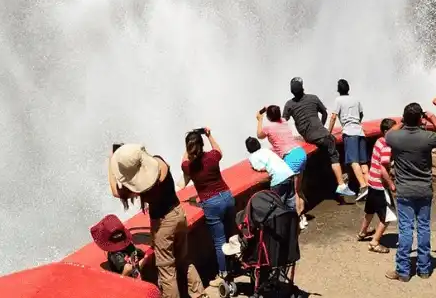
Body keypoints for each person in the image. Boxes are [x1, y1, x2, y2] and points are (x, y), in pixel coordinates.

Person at [108, 144, 203, 298]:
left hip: (164, 224)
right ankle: (199, 294)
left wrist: (111, 164)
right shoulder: (160, 162)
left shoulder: (140, 189)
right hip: (179, 213)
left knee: (167, 271)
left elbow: (115, 191)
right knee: (184, 259)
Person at [384, 103, 436, 282]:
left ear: (405, 118)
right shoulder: (428, 137)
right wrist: (434, 120)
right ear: (421, 118)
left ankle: (403, 271)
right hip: (424, 189)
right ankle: (424, 269)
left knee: (405, 229)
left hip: (405, 190)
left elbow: (387, 135)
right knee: (423, 228)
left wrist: (402, 121)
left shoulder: (396, 137)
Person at [179, 128, 235, 285]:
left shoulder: (189, 167)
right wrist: (209, 134)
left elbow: (183, 161)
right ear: (202, 145)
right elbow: (218, 150)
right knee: (232, 233)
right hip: (227, 196)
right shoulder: (212, 157)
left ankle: (224, 273)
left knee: (219, 241)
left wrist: (188, 146)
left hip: (211, 203)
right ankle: (236, 263)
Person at [283, 77, 354, 197]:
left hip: (308, 136)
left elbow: (283, 121)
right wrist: (321, 126)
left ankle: (331, 178)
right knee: (333, 152)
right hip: (322, 135)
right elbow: (325, 113)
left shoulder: (289, 104)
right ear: (303, 87)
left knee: (325, 148)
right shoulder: (313, 98)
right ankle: (341, 184)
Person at [256, 105, 309, 228]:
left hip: (291, 157)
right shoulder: (284, 122)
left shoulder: (268, 128)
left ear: (268, 117)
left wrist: (259, 119)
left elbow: (259, 135)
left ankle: (298, 218)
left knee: (292, 192)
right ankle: (303, 217)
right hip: (300, 153)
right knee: (298, 189)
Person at [358, 118, 396, 254]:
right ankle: (375, 242)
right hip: (381, 185)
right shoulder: (387, 146)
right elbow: (383, 168)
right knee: (388, 216)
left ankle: (362, 232)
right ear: (386, 131)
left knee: (370, 210)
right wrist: (391, 184)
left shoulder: (379, 141)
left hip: (372, 182)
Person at [327, 79, 369, 201]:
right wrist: (357, 123)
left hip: (349, 133)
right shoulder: (356, 99)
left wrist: (328, 132)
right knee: (363, 162)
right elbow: (361, 114)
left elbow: (333, 116)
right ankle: (371, 186)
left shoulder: (338, 100)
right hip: (360, 132)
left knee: (353, 161)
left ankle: (363, 186)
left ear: (338, 90)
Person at [245, 137, 297, 209]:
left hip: (278, 179)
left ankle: (284, 218)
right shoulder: (266, 150)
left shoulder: (253, 157)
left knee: (276, 204)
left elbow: (260, 168)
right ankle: (298, 217)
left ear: (248, 149)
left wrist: (254, 167)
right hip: (289, 173)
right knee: (291, 200)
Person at [90, 214, 148, 278]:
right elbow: (127, 269)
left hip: (134, 268)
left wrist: (144, 255)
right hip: (126, 276)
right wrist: (145, 259)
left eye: (119, 234)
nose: (119, 235)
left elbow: (136, 252)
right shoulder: (115, 254)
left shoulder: (128, 245)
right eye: (116, 235)